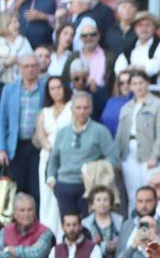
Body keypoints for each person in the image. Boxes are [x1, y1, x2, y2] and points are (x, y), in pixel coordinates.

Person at [46, 92, 118, 219]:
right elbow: (54, 158)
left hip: (90, 187)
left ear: (91, 109)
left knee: (88, 225)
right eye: (78, 108)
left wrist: (94, 168)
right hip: (64, 185)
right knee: (68, 225)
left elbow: (114, 158)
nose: (82, 112)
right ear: (71, 109)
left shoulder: (100, 131)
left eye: (86, 108)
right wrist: (51, 178)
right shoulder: (62, 132)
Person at [116, 71, 160, 206]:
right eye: (134, 84)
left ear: (147, 83)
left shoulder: (158, 105)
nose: (138, 87)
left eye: (141, 83)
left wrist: (155, 155)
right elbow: (120, 135)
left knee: (152, 193)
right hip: (129, 153)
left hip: (149, 153)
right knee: (133, 194)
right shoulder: (126, 107)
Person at [0, 54, 43, 204]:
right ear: (19, 68)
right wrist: (2, 148)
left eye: (33, 66)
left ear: (39, 68)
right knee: (16, 188)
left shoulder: (46, 87)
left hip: (38, 146)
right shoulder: (9, 89)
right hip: (16, 146)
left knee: (37, 188)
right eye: (26, 66)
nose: (30, 69)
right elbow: (2, 120)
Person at [36, 76, 71, 233]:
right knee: (47, 197)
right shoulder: (45, 111)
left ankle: (64, 234)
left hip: (67, 157)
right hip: (47, 156)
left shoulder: (72, 107)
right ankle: (47, 235)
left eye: (59, 87)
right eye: (52, 88)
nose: (56, 91)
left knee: (61, 197)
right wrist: (49, 147)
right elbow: (41, 135)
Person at [113, 12, 160, 92]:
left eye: (148, 25)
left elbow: (153, 68)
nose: (144, 29)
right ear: (135, 28)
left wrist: (131, 68)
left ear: (154, 28)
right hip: (131, 91)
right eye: (140, 25)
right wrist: (140, 68)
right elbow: (119, 69)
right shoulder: (130, 46)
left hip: (153, 90)